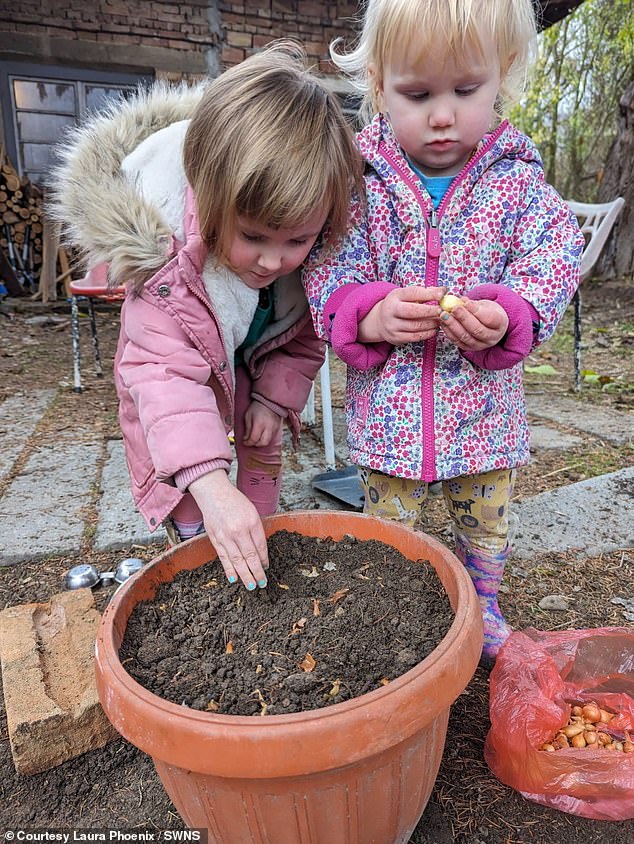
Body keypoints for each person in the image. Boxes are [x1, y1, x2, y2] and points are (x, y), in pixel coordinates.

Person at [303, 0, 585, 660]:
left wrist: (511, 311)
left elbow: (556, 252)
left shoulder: (516, 180)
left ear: (503, 75)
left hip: (482, 413)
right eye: (416, 92)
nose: (440, 115)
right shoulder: (360, 181)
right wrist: (369, 313)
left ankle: (483, 606)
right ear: (377, 83)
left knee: (485, 518)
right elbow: (328, 264)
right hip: (390, 412)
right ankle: (383, 608)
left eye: (466, 90)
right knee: (388, 525)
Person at [52, 42, 363, 591]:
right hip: (178, 414)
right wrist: (212, 486)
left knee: (258, 471)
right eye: (253, 238)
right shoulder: (167, 272)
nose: (272, 261)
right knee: (201, 509)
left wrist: (273, 399)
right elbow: (164, 378)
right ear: (210, 196)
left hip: (249, 380)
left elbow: (302, 336)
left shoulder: (314, 255)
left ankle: (256, 549)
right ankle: (203, 561)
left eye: (296, 240)